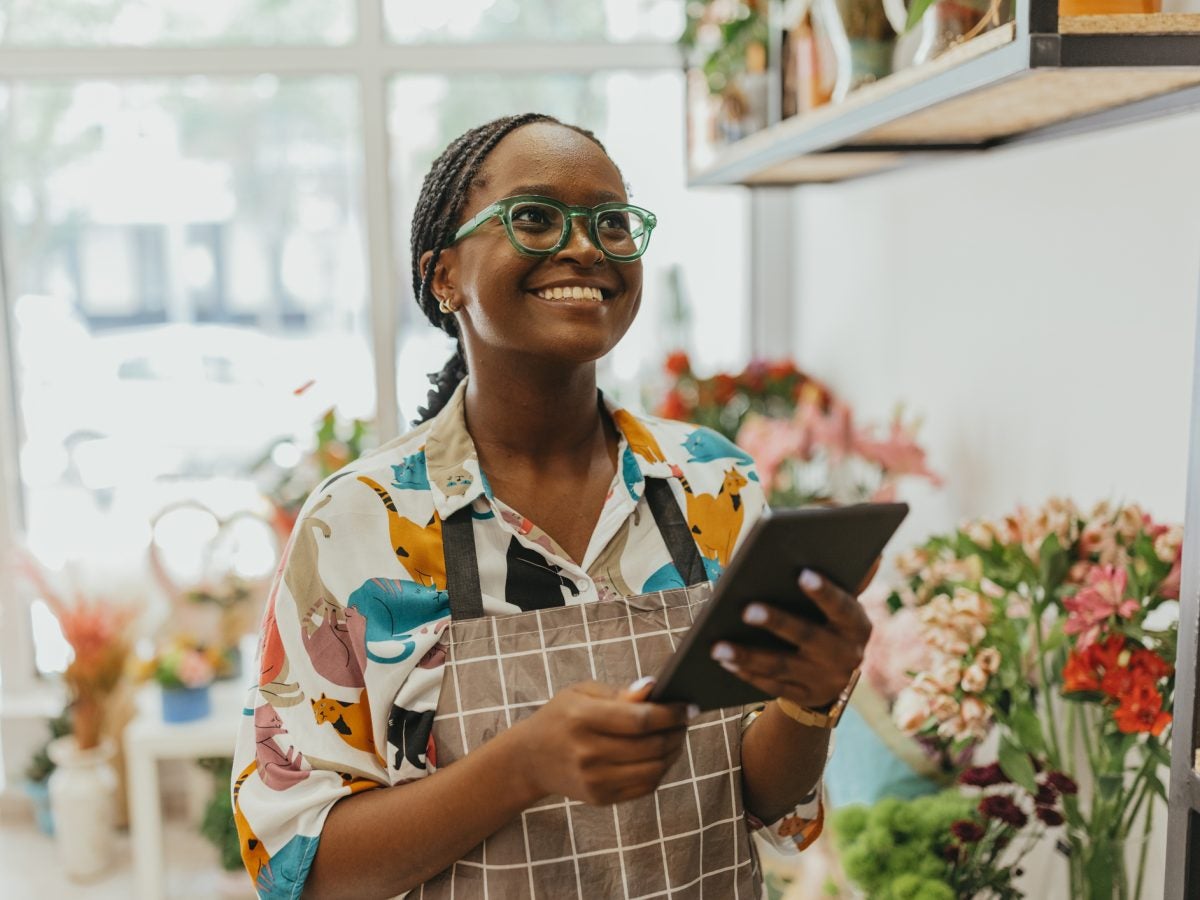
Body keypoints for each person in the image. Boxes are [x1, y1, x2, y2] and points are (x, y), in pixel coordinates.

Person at [231, 112, 871, 900]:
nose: (585, 247)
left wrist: (809, 701)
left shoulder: (714, 483)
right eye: (534, 218)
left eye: (611, 222)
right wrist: (521, 763)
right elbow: (304, 869)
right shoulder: (359, 522)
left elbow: (756, 802)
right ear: (444, 276)